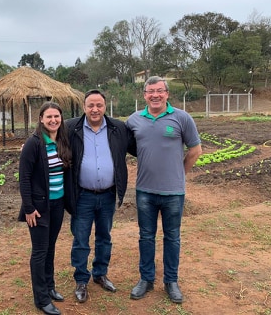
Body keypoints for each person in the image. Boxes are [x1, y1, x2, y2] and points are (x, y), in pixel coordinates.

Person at [126, 76, 202, 304]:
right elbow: (128, 145)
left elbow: (195, 150)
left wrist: (179, 174)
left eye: (160, 91)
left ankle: (171, 281)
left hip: (173, 193)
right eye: (151, 91)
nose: (155, 95)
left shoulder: (182, 118)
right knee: (146, 236)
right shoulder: (134, 120)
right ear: (144, 95)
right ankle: (146, 279)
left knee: (172, 237)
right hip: (145, 191)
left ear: (167, 94)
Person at [67, 89, 130, 303]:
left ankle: (100, 274)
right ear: (84, 107)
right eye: (91, 105)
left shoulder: (118, 128)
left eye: (99, 105)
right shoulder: (71, 127)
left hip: (107, 195)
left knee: (104, 237)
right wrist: (31, 146)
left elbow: (140, 147)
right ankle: (81, 279)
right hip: (82, 195)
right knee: (81, 238)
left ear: (105, 106)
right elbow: (48, 136)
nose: (95, 109)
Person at [18, 101, 75, 315]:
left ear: (61, 119)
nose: (53, 120)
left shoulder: (62, 140)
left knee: (50, 247)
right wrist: (28, 208)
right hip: (39, 208)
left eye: (57, 117)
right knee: (40, 252)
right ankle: (41, 299)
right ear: (41, 119)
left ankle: (50, 287)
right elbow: (24, 178)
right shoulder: (34, 143)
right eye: (49, 117)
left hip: (58, 204)